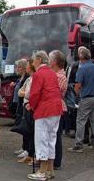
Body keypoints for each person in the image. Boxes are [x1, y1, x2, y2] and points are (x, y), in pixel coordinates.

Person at [27, 51, 63, 180]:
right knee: (51, 139)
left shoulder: (39, 74)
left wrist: (31, 105)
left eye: (33, 60)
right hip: (56, 108)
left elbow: (35, 94)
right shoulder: (52, 73)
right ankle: (50, 170)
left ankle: (42, 171)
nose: (32, 62)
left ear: (39, 59)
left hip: (44, 109)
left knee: (41, 139)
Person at [68, 47, 94, 152]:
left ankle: (78, 145)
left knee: (80, 121)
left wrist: (76, 95)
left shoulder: (82, 68)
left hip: (86, 97)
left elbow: (78, 85)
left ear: (81, 56)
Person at [49, 50, 68, 170]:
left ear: (55, 62)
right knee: (53, 135)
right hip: (55, 107)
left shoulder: (59, 76)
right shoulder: (56, 74)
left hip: (57, 108)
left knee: (55, 135)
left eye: (50, 60)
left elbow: (52, 92)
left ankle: (56, 162)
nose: (49, 62)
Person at [17, 59, 36, 165]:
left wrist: (25, 93)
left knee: (31, 132)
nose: (26, 68)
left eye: (28, 66)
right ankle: (28, 153)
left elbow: (29, 94)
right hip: (25, 106)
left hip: (30, 107)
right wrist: (25, 93)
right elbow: (20, 91)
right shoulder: (29, 79)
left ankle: (32, 154)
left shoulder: (35, 78)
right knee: (27, 132)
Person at [11, 59, 29, 157]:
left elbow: (24, 92)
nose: (17, 69)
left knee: (25, 127)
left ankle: (27, 149)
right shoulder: (20, 78)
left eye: (19, 67)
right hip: (18, 104)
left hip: (24, 105)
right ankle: (24, 147)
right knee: (22, 126)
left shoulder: (27, 77)